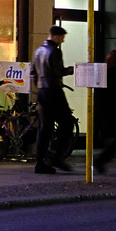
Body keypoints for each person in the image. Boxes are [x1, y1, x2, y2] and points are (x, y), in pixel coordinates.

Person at [31, 25, 72, 173]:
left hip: (42, 91)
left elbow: (32, 72)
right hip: (54, 91)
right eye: (62, 37)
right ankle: (57, 156)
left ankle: (40, 162)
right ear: (55, 36)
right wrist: (73, 69)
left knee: (45, 127)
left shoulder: (38, 51)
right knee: (67, 123)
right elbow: (58, 71)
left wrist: (39, 86)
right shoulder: (55, 51)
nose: (62, 40)